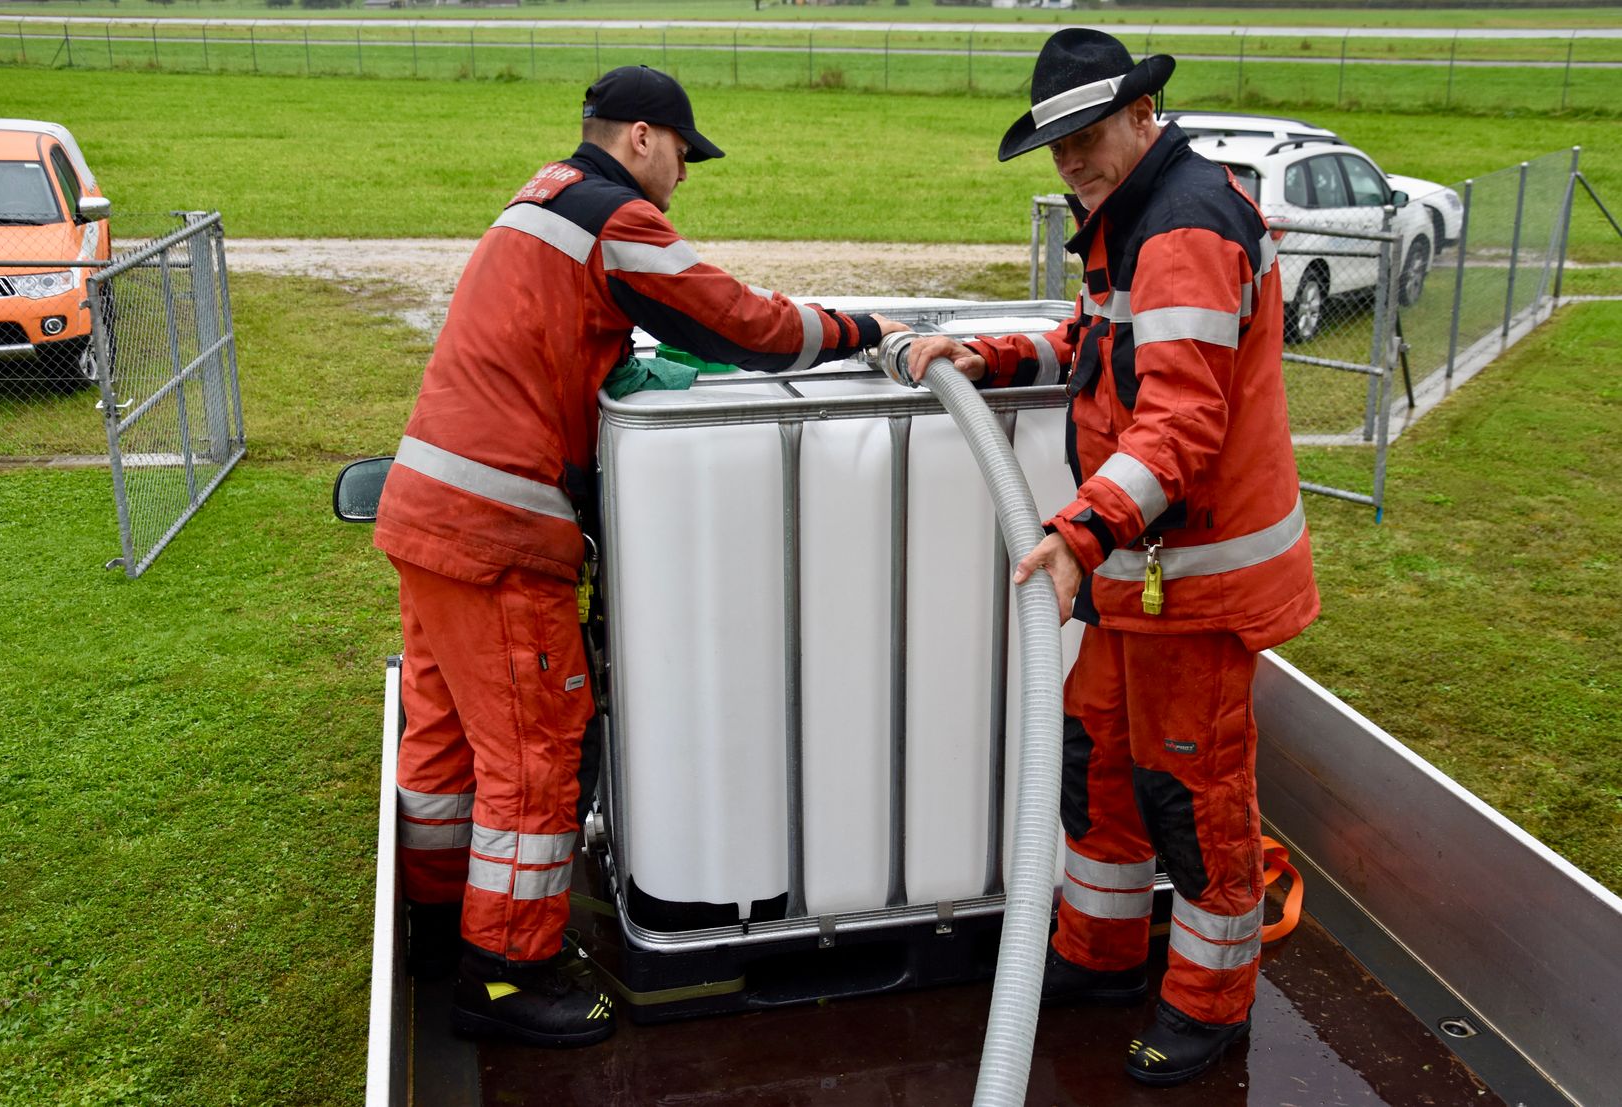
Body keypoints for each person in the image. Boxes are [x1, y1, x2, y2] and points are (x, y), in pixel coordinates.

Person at [374, 64, 906, 1048]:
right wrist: (863, 331)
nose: (685, 180)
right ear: (644, 139)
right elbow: (741, 323)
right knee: (537, 752)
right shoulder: (610, 218)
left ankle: (438, 928)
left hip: (428, 516)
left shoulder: (534, 201)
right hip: (497, 535)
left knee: (449, 746)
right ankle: (504, 978)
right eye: (684, 158)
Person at [907, 29, 1319, 1088]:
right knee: (1099, 766)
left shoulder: (1183, 226)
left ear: (1144, 115)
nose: (1073, 163)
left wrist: (1075, 535)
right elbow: (1102, 345)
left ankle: (1208, 1003)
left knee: (1193, 794)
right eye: (1057, 148)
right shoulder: (1134, 216)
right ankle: (1096, 951)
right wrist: (986, 351)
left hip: (1196, 578)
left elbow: (1178, 426)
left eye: (1088, 138)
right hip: (1141, 580)